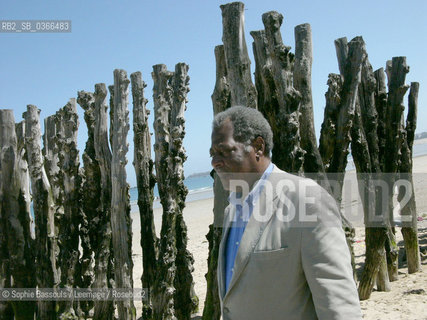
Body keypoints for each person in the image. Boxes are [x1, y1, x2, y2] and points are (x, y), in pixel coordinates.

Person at [210, 106, 362, 319]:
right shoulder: (231, 211)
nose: (215, 162)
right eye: (213, 154)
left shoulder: (306, 201)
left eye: (224, 151)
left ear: (258, 147)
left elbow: (339, 303)